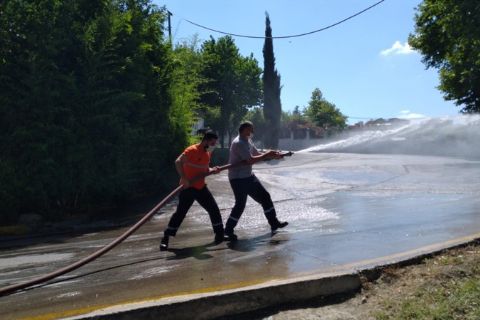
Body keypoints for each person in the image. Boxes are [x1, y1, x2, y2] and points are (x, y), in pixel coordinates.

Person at [160, 131, 224, 251]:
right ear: (205, 141)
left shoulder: (207, 154)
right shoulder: (192, 150)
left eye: (215, 143)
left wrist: (213, 170)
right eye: (212, 143)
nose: (213, 145)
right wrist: (184, 178)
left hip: (201, 187)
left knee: (213, 209)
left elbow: (205, 169)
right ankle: (166, 237)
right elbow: (178, 161)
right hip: (188, 188)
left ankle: (220, 234)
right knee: (180, 213)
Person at [224, 121, 288, 241]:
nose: (252, 132)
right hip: (238, 178)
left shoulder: (247, 140)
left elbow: (257, 154)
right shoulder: (239, 143)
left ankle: (274, 222)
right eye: (250, 129)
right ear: (243, 130)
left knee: (265, 197)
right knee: (240, 204)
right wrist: (267, 155)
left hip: (248, 176)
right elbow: (250, 160)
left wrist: (273, 155)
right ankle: (228, 230)